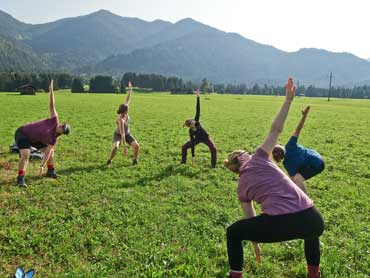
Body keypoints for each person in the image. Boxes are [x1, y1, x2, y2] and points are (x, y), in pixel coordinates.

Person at [224, 78, 324, 278]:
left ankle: (235, 275)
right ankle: (314, 275)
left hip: (277, 225)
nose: (250, 151)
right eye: (246, 151)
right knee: (311, 233)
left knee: (234, 232)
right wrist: (288, 101)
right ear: (241, 157)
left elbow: (250, 218)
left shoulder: (241, 187)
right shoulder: (260, 157)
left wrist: (256, 245)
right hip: (312, 219)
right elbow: (276, 130)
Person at [15, 79, 70, 187]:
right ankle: (20, 178)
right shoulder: (54, 120)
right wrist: (51, 91)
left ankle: (50, 171)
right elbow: (52, 105)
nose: (61, 125)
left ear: (62, 132)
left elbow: (48, 152)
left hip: (35, 140)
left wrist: (42, 165)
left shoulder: (53, 139)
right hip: (23, 133)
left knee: (51, 152)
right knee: (26, 154)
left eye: (63, 127)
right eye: (63, 124)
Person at [272, 106, 325, 193]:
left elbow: (292, 177)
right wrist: (304, 116)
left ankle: (306, 201)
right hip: (314, 157)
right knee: (292, 178)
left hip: (316, 164)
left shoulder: (287, 163)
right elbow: (298, 129)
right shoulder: (290, 146)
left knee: (296, 179)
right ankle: (291, 195)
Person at [181, 90, 217, 168]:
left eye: (193, 121)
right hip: (197, 139)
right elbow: (192, 144)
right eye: (192, 122)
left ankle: (213, 165)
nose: (194, 121)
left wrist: (198, 97)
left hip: (205, 137)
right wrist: (193, 156)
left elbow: (198, 110)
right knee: (184, 147)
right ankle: (183, 162)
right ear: (190, 126)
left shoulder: (196, 121)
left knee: (213, 149)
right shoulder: (191, 132)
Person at [107, 81, 140, 166]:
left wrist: (130, 89)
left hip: (127, 133)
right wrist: (125, 147)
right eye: (127, 109)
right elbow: (122, 135)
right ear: (124, 111)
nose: (128, 108)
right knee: (116, 147)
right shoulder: (120, 120)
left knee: (136, 146)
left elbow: (128, 99)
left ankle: (135, 160)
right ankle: (109, 160)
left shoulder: (125, 111)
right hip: (119, 134)